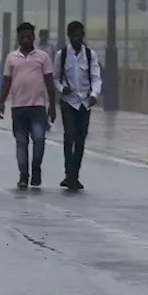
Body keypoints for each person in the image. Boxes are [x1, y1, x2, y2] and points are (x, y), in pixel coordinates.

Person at [0, 22, 59, 189]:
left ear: (34, 38)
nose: (25, 40)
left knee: (39, 138)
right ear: (18, 38)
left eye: (28, 37)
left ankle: (36, 169)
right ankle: (23, 175)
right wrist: (1, 103)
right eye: (22, 37)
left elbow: (49, 81)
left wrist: (52, 106)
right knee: (21, 142)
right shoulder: (11, 58)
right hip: (18, 107)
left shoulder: (43, 57)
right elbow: (6, 81)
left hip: (38, 106)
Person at [56, 20, 102, 191]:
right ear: (69, 36)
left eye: (80, 36)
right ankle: (69, 173)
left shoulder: (90, 55)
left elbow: (96, 76)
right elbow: (55, 78)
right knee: (69, 135)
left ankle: (75, 174)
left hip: (85, 102)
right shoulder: (61, 56)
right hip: (69, 102)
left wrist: (94, 94)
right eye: (74, 36)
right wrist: (62, 88)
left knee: (81, 138)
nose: (77, 40)